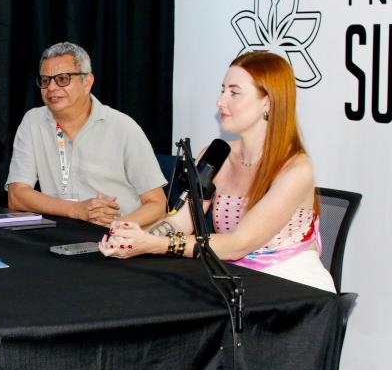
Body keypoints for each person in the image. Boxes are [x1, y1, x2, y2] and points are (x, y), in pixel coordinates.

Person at [100, 51, 335, 293]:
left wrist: (154, 245)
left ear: (268, 102)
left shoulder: (296, 169)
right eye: (223, 90)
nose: (220, 102)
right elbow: (183, 221)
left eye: (234, 93)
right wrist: (133, 238)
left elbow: (238, 244)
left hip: (292, 289)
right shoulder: (216, 155)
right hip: (234, 277)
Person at [6, 42, 166, 227]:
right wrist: (76, 210)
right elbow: (17, 196)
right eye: (45, 80)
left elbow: (157, 204)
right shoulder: (33, 122)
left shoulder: (122, 127)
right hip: (63, 237)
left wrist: (118, 230)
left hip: (121, 237)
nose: (51, 88)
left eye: (63, 79)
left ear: (87, 82)